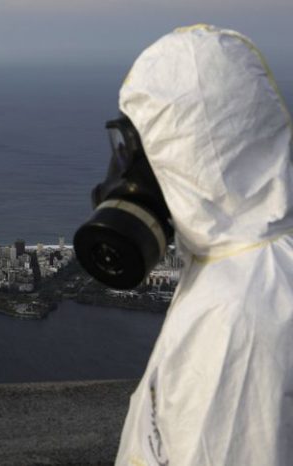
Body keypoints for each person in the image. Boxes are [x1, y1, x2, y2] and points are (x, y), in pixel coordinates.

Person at [77, 25, 293, 465]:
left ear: (182, 152)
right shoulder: (252, 257)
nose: (123, 170)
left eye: (135, 149)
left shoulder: (235, 318)